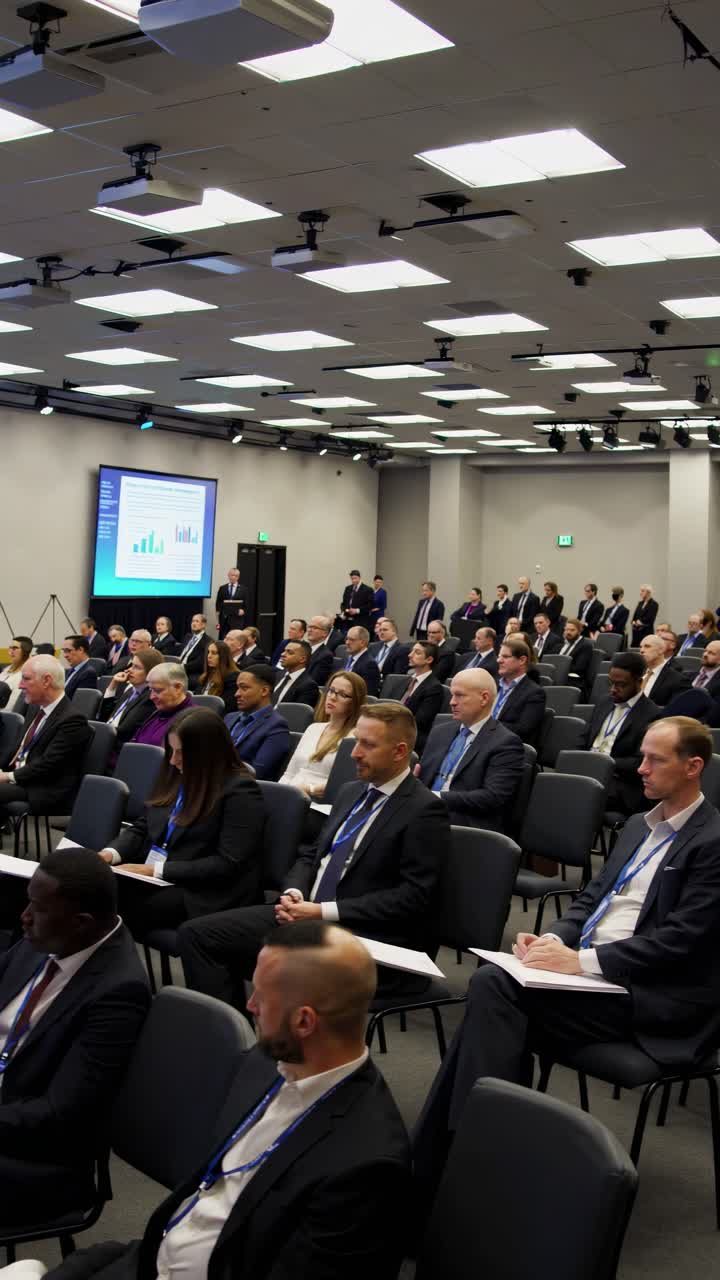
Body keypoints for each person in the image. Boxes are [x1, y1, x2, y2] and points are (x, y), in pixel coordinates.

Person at [414, 718, 720, 1187]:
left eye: (655, 760)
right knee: (496, 1001)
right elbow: (590, 897)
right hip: (592, 979)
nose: (640, 769)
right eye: (641, 756)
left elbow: (682, 941)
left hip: (651, 996)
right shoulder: (640, 825)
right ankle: (473, 1157)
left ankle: (455, 1157)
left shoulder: (713, 841)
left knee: (494, 991)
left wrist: (580, 961)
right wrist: (554, 939)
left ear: (693, 766)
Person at [38, 922, 411, 1280]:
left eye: (261, 996)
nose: (250, 1005)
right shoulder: (273, 1067)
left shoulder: (364, 1168)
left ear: (304, 1023)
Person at [178, 702, 450, 1005]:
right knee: (198, 936)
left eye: (367, 745)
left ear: (400, 752)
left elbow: (412, 897)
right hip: (307, 914)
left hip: (362, 934)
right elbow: (312, 855)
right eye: (356, 741)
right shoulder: (351, 791)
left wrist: (322, 911)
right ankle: (233, 1044)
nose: (354, 753)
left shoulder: (424, 810)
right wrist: (295, 891)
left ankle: (268, 1046)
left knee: (281, 970)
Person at [0, 849, 150, 1228]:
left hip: (36, 1156)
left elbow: (61, 1114)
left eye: (37, 908)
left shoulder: (119, 991)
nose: (24, 917)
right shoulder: (51, 934)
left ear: (81, 922)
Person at [99, 709, 265, 935]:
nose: (173, 760)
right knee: (91, 886)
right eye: (171, 751)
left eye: (182, 753)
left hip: (204, 890)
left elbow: (227, 863)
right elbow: (143, 826)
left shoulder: (240, 791)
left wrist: (154, 870)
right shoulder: (176, 771)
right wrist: (110, 853)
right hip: (162, 875)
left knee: (110, 904)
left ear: (208, 752)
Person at [419, 668, 524, 831]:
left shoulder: (506, 743)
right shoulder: (440, 731)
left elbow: (492, 797)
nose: (452, 702)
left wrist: (436, 797)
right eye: (452, 695)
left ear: (484, 698)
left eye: (459, 695)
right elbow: (423, 779)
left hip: (463, 821)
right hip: (425, 810)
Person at [0, 656, 92, 823]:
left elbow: (48, 765)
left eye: (26, 679)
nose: (20, 685)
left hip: (43, 787)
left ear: (46, 681)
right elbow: (16, 749)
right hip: (22, 778)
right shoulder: (35, 708)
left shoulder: (72, 720)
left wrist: (8, 776)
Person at [584, 652, 660, 816]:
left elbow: (639, 762)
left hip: (619, 782)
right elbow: (584, 738)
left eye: (621, 684)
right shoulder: (604, 702)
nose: (613, 689)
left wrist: (604, 762)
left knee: (578, 794)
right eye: (610, 682)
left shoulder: (652, 715)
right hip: (589, 769)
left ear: (639, 682)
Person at [279, 671, 366, 800]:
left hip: (320, 804)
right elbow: (289, 773)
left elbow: (343, 784)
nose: (332, 697)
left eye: (342, 694)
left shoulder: (354, 738)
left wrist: (309, 789)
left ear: (355, 702)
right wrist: (278, 795)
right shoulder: (313, 728)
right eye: (331, 690)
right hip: (291, 796)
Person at [225, 665, 290, 781]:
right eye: (237, 688)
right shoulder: (229, 718)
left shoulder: (277, 726)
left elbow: (258, 773)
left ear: (264, 691)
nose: (237, 694)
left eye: (244, 688)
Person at [99, 646, 165, 760]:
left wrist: (100, 733)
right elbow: (104, 716)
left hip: (119, 752)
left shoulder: (150, 697)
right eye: (131, 665)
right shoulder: (131, 690)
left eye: (136, 667)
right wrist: (113, 685)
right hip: (108, 742)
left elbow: (125, 731)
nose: (129, 670)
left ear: (151, 672)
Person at [492, 639, 546, 746]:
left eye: (505, 657)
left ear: (522, 660)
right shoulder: (492, 684)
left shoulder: (534, 693)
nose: (499, 660)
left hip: (505, 746)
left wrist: (486, 725)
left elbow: (522, 730)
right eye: (499, 656)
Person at [129, 663, 193, 750]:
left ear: (178, 688)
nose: (151, 697)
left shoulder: (191, 722)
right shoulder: (157, 713)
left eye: (157, 691)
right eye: (151, 690)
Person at [399, 641, 445, 753]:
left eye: (417, 653)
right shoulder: (406, 680)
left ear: (429, 660)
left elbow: (420, 722)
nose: (410, 655)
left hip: (411, 738)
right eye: (412, 651)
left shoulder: (434, 688)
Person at [639, 634, 691, 706]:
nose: (641, 650)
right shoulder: (636, 674)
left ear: (661, 650)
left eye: (647, 646)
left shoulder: (678, 680)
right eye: (640, 647)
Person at [272, 641, 319, 709]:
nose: (282, 654)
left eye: (290, 652)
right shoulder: (278, 674)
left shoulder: (308, 686)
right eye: (284, 651)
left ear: (302, 659)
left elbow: (297, 715)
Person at [198, 640, 239, 713]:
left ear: (223, 656)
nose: (209, 656)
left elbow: (226, 707)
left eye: (214, 653)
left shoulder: (232, 677)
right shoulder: (206, 675)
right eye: (208, 652)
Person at [559, 618, 594, 698]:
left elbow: (578, 668)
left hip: (574, 680)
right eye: (567, 630)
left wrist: (560, 669)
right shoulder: (562, 643)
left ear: (579, 631)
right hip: (560, 676)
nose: (568, 632)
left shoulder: (585, 645)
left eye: (572, 630)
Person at [340, 627, 380, 696]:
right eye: (347, 639)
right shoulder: (347, 659)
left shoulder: (369, 664)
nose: (347, 642)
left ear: (362, 643)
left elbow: (367, 694)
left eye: (351, 640)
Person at [177, 614, 210, 689]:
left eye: (197, 621)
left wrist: (182, 667)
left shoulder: (207, 641)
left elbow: (200, 662)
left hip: (191, 672)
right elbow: (179, 653)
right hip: (178, 668)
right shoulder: (187, 637)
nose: (194, 623)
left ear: (203, 625)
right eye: (193, 621)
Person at [0, 636, 32, 712]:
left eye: (14, 648)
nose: (10, 652)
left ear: (25, 652)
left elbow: (9, 709)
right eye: (10, 648)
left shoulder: (25, 676)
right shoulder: (6, 669)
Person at [60, 636, 98, 700]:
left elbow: (80, 702)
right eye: (64, 651)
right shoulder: (71, 670)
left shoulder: (88, 673)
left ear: (80, 650)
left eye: (68, 651)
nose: (65, 655)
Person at [215, 567, 246, 639]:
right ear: (228, 575)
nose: (234, 577)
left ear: (238, 577)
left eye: (236, 576)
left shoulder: (244, 589)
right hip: (224, 620)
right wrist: (217, 620)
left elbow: (247, 605)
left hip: (237, 620)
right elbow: (218, 604)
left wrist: (243, 611)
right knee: (223, 639)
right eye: (232, 575)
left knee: (235, 639)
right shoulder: (222, 588)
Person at [304, 615, 335, 687]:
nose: (309, 630)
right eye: (309, 627)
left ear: (325, 633)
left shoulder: (326, 656)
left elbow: (314, 681)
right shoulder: (302, 648)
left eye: (314, 628)